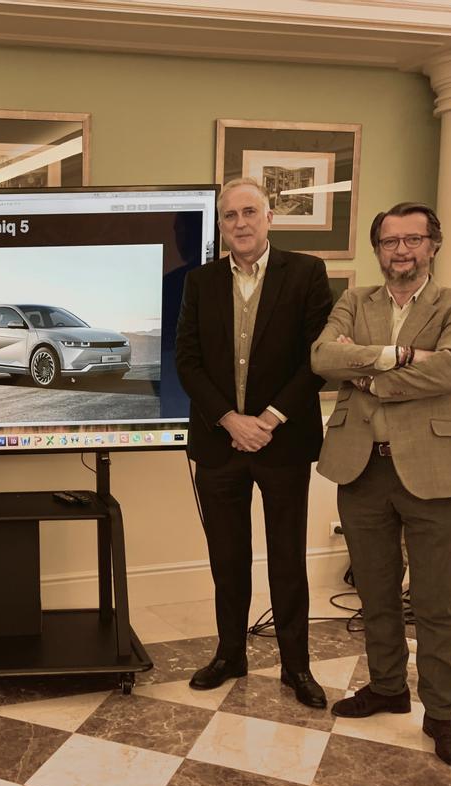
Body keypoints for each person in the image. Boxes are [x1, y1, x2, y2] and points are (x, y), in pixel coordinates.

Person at [312, 201, 451, 768]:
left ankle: (441, 714)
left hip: (435, 467)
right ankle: (387, 686)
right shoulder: (354, 301)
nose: (401, 251)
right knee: (376, 593)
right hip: (361, 467)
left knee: (436, 603)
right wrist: (400, 355)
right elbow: (320, 358)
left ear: (434, 244)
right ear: (378, 248)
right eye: (390, 242)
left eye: (413, 240)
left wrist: (369, 376)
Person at [175, 177, 334, 708]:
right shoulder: (200, 282)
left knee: (288, 558)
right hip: (220, 446)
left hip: (283, 444)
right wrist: (229, 419)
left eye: (249, 212)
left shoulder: (307, 273)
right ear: (220, 226)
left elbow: (317, 357)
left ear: (269, 218)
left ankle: (296, 667)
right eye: (229, 216)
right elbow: (188, 363)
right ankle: (229, 654)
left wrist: (266, 419)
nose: (239, 223)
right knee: (227, 559)